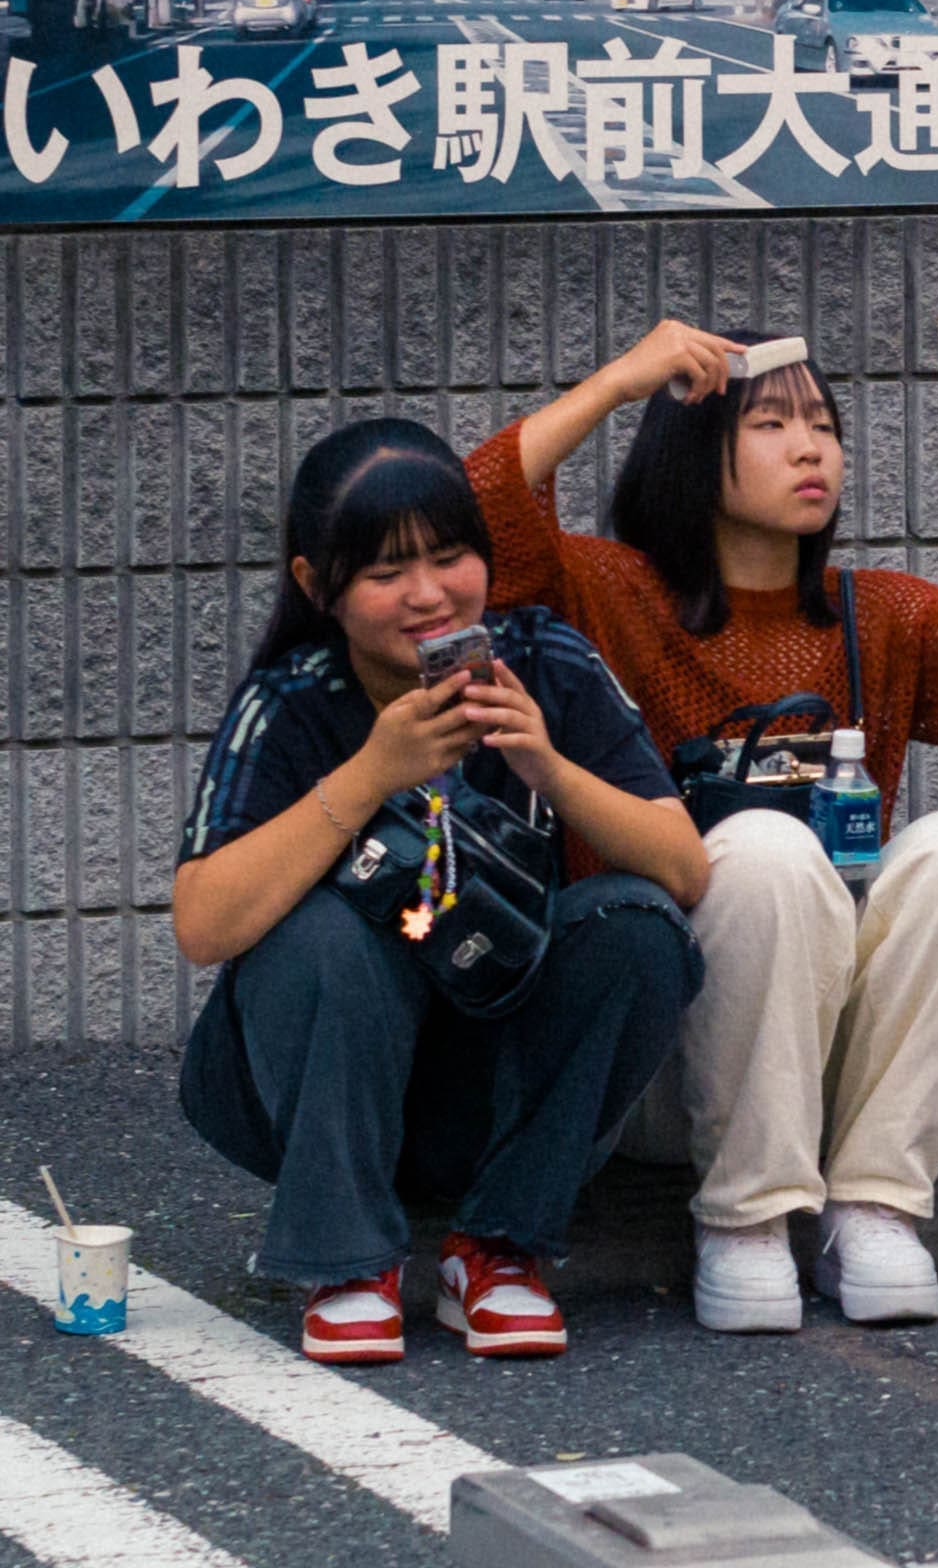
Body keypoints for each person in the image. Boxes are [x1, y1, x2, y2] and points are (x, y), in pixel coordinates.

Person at [463, 312, 938, 1332]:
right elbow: (478, 528)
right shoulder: (613, 591)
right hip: (672, 1068)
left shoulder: (877, 613)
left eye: (823, 423)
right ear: (691, 450)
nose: (811, 445)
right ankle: (746, 1221)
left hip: (831, 1069)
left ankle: (875, 1208)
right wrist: (619, 382)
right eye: (770, 422)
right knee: (760, 850)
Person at [174, 419, 705, 1366]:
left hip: (484, 1074)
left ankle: (498, 1250)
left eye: (450, 557)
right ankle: (347, 1262)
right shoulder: (294, 699)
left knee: (640, 928)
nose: (427, 595)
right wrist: (373, 772)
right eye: (384, 572)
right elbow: (204, 923)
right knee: (326, 929)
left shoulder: (542, 662)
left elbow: (683, 864)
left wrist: (546, 764)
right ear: (316, 587)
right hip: (303, 1084)